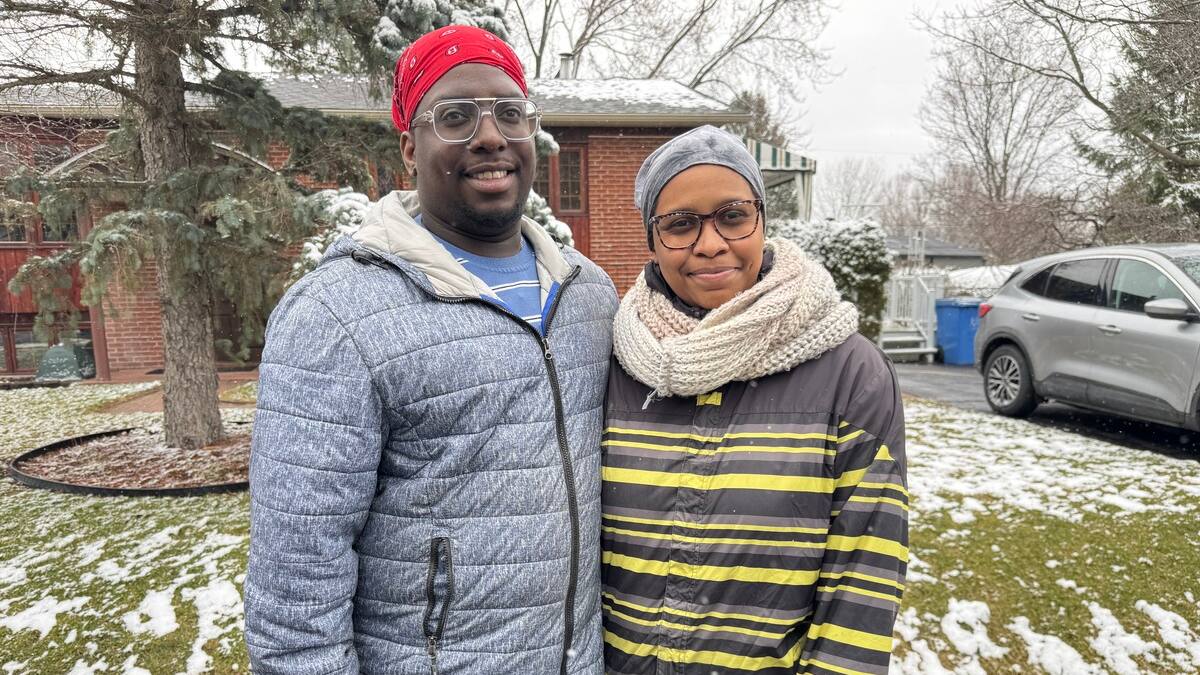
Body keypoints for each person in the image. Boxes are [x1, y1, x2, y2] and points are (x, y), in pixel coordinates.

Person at [245, 25, 616, 675]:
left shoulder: (589, 295)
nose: (491, 135)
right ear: (409, 148)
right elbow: (296, 595)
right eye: (456, 116)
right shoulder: (337, 317)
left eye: (510, 112)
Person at [601, 125, 907, 674]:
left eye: (733, 216)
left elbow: (864, 574)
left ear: (762, 221)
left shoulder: (850, 372)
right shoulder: (615, 361)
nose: (711, 243)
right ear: (651, 239)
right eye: (680, 225)